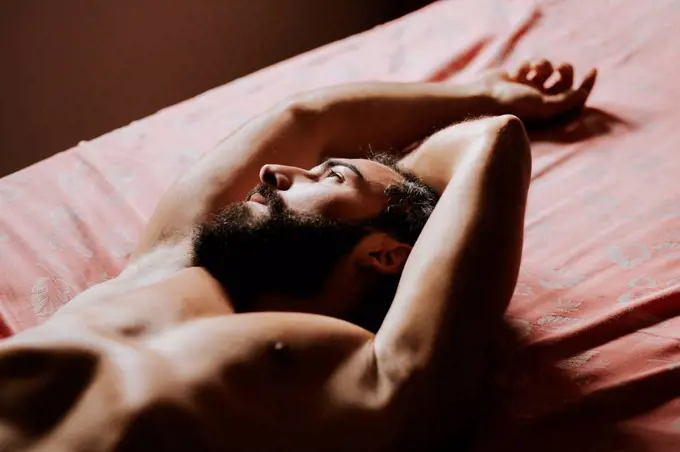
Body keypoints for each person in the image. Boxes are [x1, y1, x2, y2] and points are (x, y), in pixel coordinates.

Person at [0, 59, 596, 451]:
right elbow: (307, 117)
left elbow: (494, 140)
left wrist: (407, 182)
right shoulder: (172, 260)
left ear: (387, 254)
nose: (272, 172)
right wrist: (481, 89)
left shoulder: (377, 369)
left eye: (326, 177)